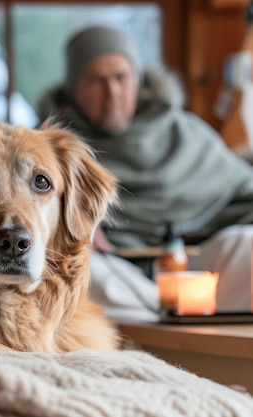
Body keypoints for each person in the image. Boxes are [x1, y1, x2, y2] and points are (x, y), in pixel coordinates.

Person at [37, 25, 253, 315]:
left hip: (200, 270)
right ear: (74, 90)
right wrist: (79, 224)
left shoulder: (185, 133)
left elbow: (243, 194)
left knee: (246, 244)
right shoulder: (56, 152)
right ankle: (162, 324)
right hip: (122, 277)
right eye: (96, 80)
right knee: (82, 271)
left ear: (138, 81)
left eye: (121, 78)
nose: (112, 92)